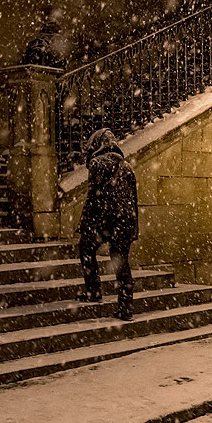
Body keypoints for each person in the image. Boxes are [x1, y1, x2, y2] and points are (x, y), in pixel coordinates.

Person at [78, 128, 139, 320]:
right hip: (125, 222)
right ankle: (126, 307)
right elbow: (133, 200)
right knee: (121, 263)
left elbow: (93, 197)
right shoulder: (127, 166)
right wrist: (133, 227)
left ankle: (93, 290)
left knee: (86, 249)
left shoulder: (98, 163)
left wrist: (85, 222)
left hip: (106, 221)